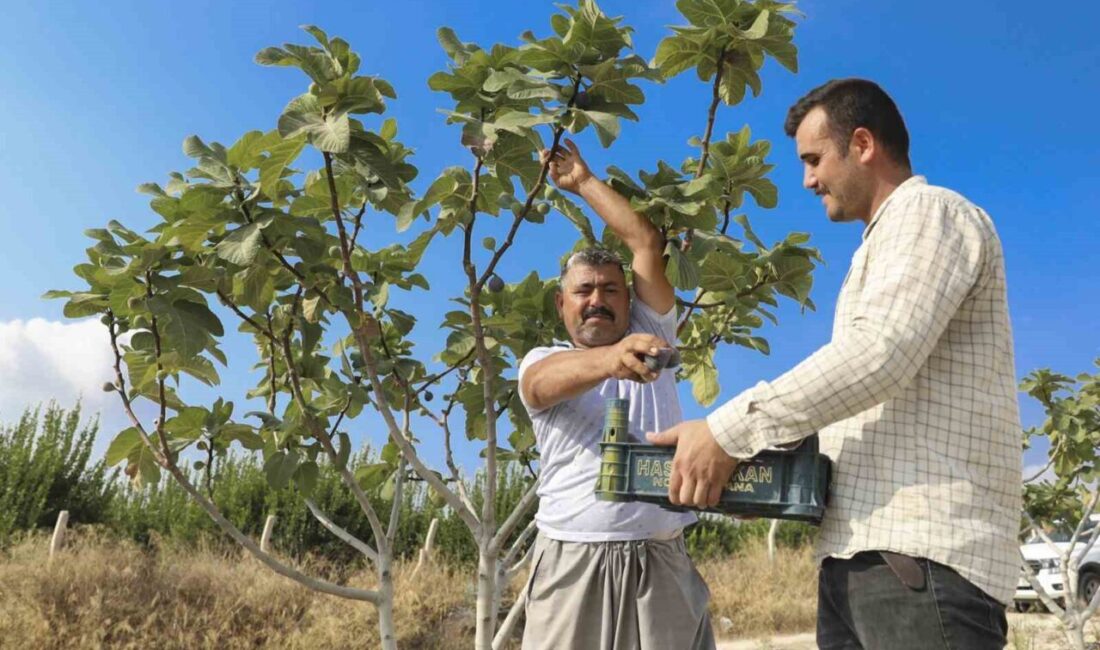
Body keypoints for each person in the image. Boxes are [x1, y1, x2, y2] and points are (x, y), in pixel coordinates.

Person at [647, 79, 1021, 648]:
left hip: (920, 562)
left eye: (814, 158)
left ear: (864, 144)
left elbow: (879, 356)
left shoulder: (929, 213)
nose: (807, 179)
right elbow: (863, 400)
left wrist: (728, 433)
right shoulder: (882, 243)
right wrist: (764, 476)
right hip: (864, 560)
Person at [517, 139, 715, 650]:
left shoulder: (653, 327)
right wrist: (614, 359)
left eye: (610, 289)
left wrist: (582, 181)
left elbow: (646, 243)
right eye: (583, 291)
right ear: (562, 303)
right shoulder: (542, 362)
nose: (597, 301)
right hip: (574, 560)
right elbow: (540, 387)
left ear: (630, 299)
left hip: (662, 558)